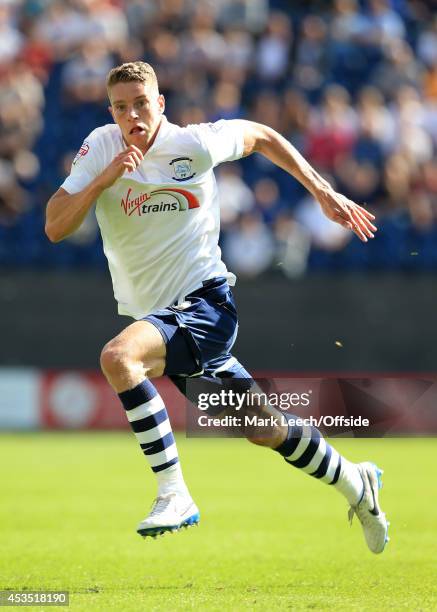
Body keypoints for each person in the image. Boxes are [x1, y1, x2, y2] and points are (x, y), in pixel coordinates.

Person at [45, 61, 388, 553]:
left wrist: (320, 189)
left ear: (160, 104)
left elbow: (262, 135)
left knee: (120, 358)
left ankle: (174, 493)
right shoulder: (101, 147)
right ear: (111, 112)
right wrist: (102, 179)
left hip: (205, 304)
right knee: (264, 428)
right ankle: (358, 483)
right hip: (162, 317)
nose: (133, 115)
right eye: (122, 107)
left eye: (142, 103)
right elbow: (55, 226)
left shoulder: (195, 144)